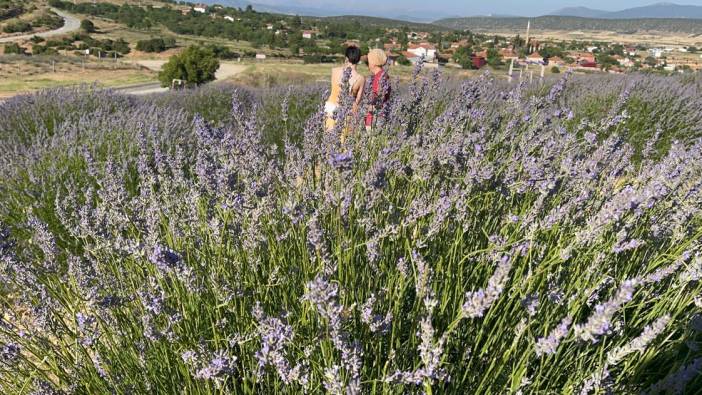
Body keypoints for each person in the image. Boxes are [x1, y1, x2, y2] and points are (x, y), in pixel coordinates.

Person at [325, 46, 366, 131]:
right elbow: (358, 100)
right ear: (359, 59)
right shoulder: (360, 78)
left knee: (328, 137)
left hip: (330, 107)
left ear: (346, 57)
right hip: (346, 110)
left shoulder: (334, 70)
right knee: (343, 139)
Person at [365, 48, 391, 131]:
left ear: (373, 62)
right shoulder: (383, 75)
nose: (368, 64)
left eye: (369, 61)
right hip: (380, 117)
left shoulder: (379, 78)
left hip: (374, 120)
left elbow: (376, 101)